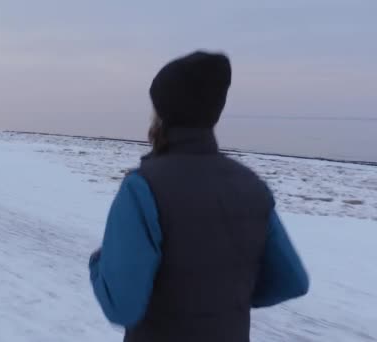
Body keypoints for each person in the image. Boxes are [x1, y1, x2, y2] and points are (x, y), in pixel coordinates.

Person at [89, 51, 309, 342]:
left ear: (162, 114)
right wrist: (226, 299)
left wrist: (98, 263)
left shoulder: (143, 188)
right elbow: (290, 281)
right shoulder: (251, 185)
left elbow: (121, 306)